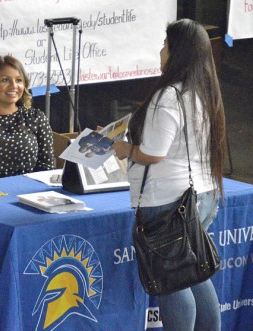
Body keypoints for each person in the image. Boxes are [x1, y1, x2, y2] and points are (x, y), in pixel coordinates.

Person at [112, 19, 225, 330]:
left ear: (177, 53)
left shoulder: (169, 95)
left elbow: (154, 153)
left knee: (173, 283)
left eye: (165, 46)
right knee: (195, 274)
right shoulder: (202, 91)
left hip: (167, 201)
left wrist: (125, 149)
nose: (161, 52)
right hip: (199, 195)